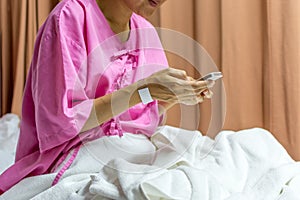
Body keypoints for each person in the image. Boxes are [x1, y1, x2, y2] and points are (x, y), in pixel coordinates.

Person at [0, 0, 214, 194]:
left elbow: (142, 117)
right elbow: (62, 122)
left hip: (129, 148)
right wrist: (142, 90)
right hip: (72, 151)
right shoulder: (70, 17)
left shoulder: (146, 31)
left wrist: (172, 96)